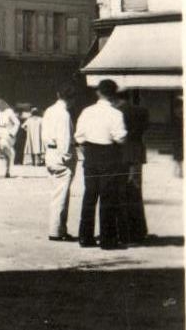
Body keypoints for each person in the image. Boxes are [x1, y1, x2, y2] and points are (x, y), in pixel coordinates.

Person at [74, 79, 128, 249]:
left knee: (89, 196)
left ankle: (85, 237)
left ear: (98, 92)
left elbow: (79, 136)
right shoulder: (116, 114)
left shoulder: (86, 111)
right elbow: (120, 137)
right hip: (109, 155)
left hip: (90, 154)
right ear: (114, 94)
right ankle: (107, 239)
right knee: (108, 197)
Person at [41, 86, 76, 240]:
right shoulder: (64, 114)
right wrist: (67, 157)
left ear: (58, 94)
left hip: (50, 152)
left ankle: (59, 229)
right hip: (60, 156)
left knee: (56, 194)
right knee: (61, 196)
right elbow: (65, 138)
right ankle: (56, 231)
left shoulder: (49, 110)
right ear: (72, 99)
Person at [119, 91, 150, 243]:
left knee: (123, 193)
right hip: (137, 152)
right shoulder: (142, 111)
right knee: (136, 192)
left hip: (121, 154)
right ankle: (139, 230)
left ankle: (125, 231)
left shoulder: (117, 112)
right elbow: (145, 129)